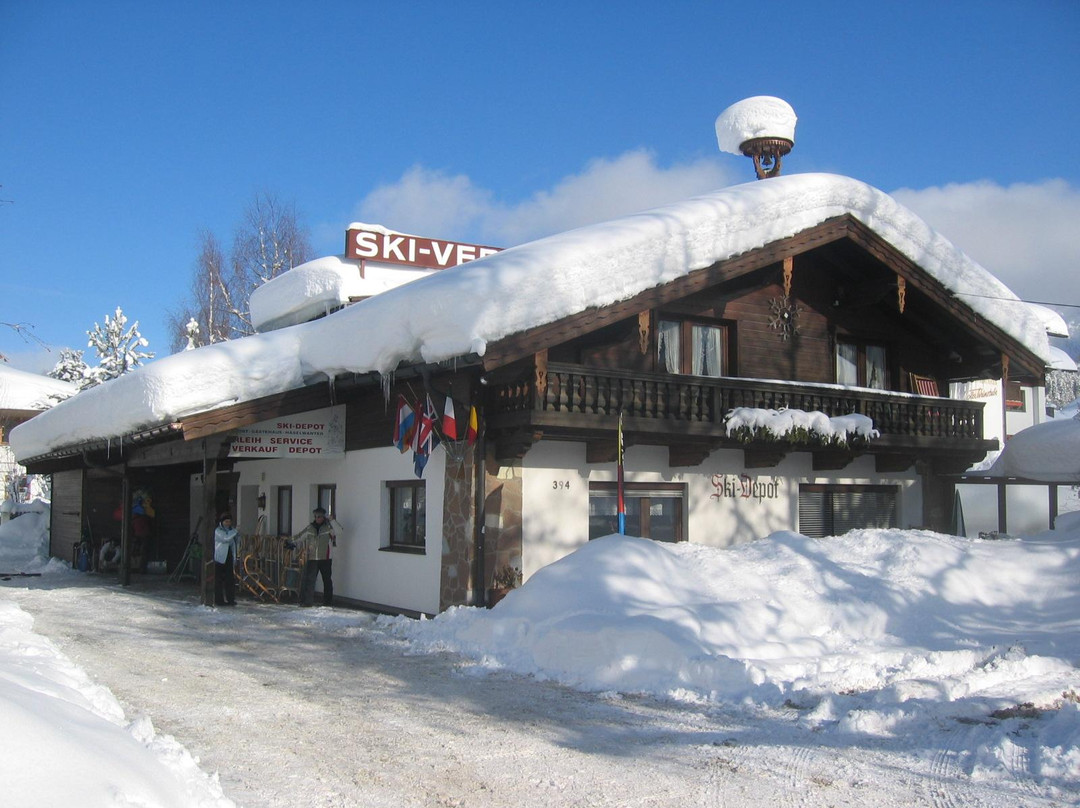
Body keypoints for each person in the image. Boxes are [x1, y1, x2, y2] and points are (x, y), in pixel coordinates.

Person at [291, 507, 341, 607]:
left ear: (323, 517)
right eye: (316, 516)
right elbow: (300, 536)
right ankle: (307, 602)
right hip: (312, 558)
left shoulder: (328, 527)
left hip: (325, 558)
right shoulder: (310, 527)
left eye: (320, 516)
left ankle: (327, 602)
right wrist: (290, 542)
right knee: (309, 580)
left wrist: (332, 520)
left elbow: (339, 531)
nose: (318, 518)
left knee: (327, 580)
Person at [213, 513, 240, 606]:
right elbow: (225, 538)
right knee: (218, 580)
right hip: (219, 558)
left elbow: (235, 542)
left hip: (229, 557)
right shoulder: (218, 530)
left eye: (229, 521)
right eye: (226, 521)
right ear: (222, 522)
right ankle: (219, 600)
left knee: (230, 579)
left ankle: (231, 599)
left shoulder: (231, 531)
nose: (228, 523)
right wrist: (235, 531)